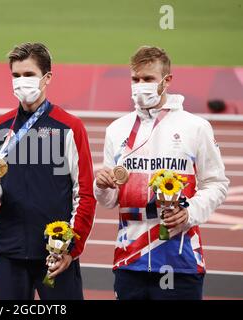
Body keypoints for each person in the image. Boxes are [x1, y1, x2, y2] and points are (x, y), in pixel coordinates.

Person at [94, 46, 229, 300]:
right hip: (129, 260)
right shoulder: (117, 130)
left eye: (148, 79)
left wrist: (189, 213)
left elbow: (217, 183)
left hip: (179, 259)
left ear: (166, 81)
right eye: (135, 79)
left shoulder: (195, 127)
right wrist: (102, 185)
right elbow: (110, 201)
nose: (140, 85)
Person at [0, 42, 96, 300]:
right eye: (16, 76)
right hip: (10, 252)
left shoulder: (70, 127)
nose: (22, 82)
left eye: (29, 75)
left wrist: (71, 249)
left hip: (56, 254)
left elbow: (85, 192)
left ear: (47, 78)